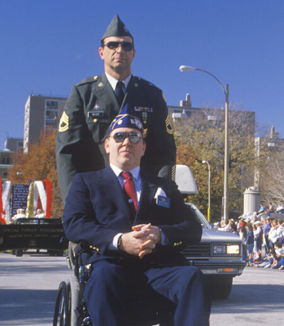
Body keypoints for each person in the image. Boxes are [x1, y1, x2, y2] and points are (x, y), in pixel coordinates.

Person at [63, 114, 209, 326]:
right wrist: (120, 240)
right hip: (110, 264)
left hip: (159, 267)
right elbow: (74, 224)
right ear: (107, 145)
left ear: (143, 147)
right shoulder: (86, 182)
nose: (126, 142)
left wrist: (161, 234)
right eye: (119, 136)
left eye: (134, 137)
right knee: (104, 278)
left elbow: (192, 228)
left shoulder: (165, 186)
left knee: (192, 277)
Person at [56, 14, 176, 201]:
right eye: (112, 45)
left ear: (133, 54)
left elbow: (165, 153)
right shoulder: (83, 94)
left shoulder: (152, 95)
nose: (120, 50)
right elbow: (68, 153)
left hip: (142, 198)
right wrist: (74, 203)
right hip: (96, 198)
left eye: (126, 45)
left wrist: (161, 196)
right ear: (101, 52)